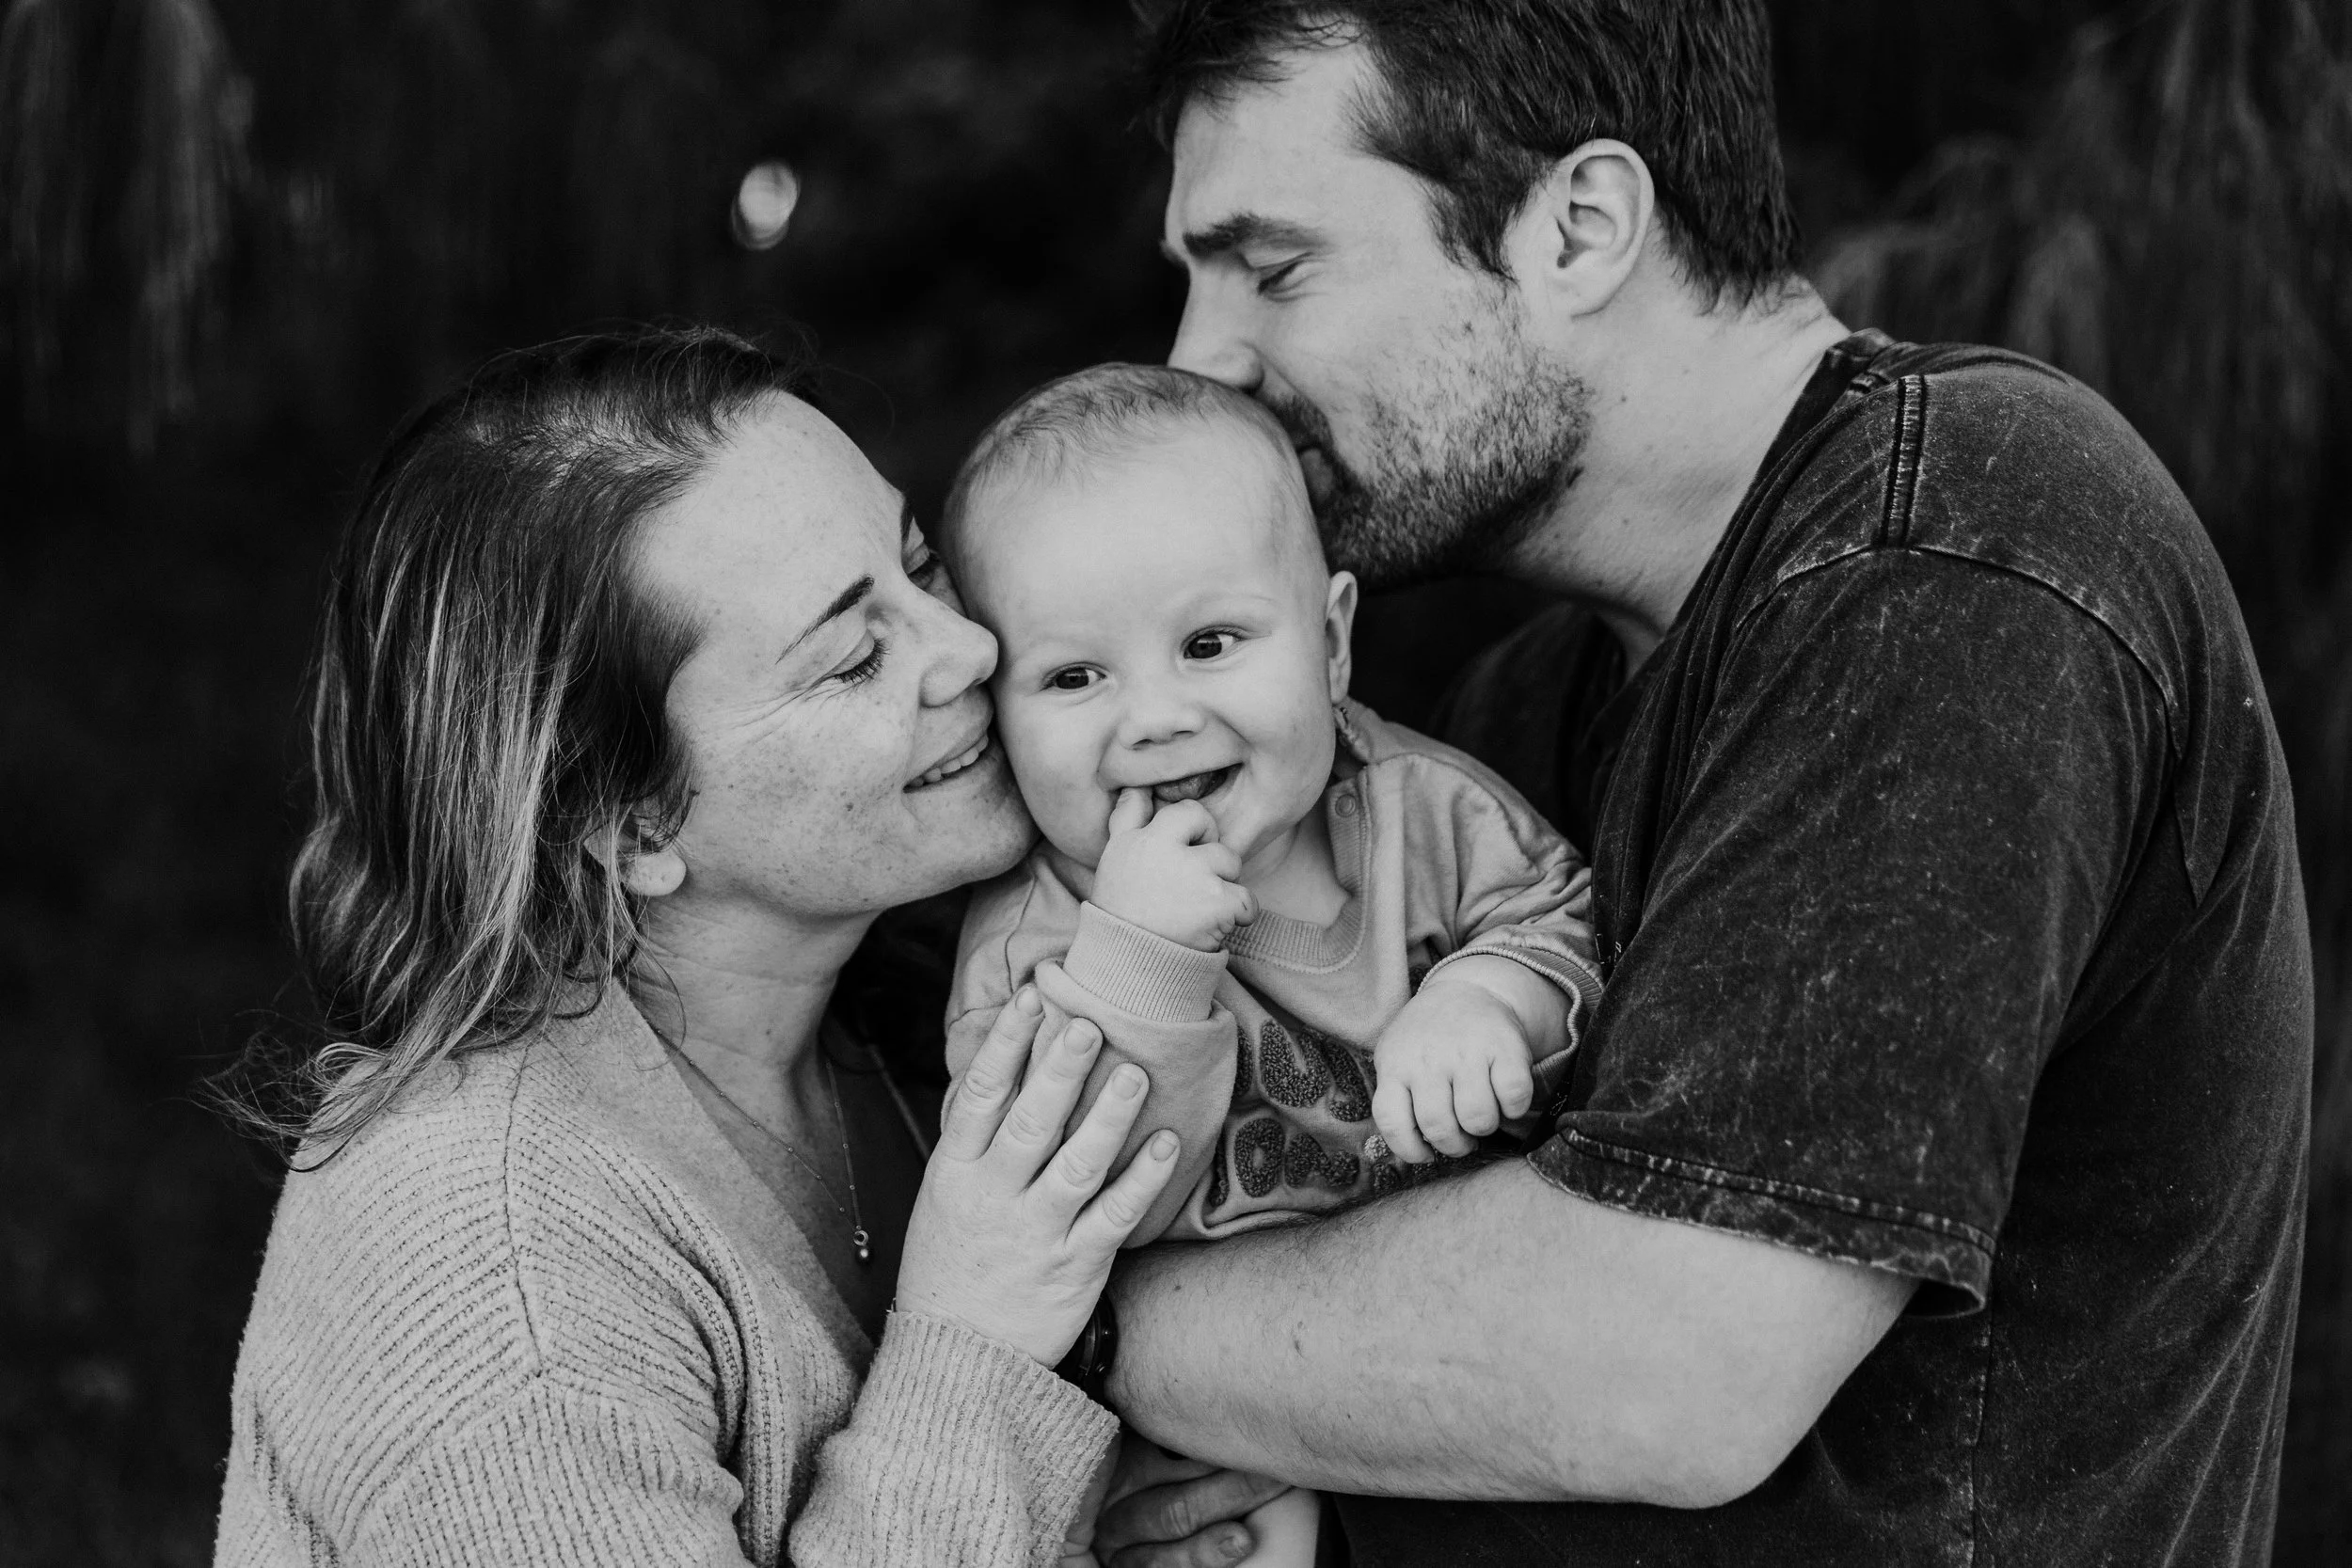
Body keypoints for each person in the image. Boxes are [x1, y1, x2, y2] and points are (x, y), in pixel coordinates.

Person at [1089, 2, 2317, 1564]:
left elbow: (1669, 1364)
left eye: (1272, 266)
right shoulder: (1524, 712)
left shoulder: (1963, 553)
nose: (1197, 363)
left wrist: (1077, 1322)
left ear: (1580, 226)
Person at [212, 327, 1189, 1567]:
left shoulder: (948, 987)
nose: (972, 647)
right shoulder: (490, 1266)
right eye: (854, 656)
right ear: (625, 822)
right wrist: (976, 1349)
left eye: (919, 564)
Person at [937, 363, 1606, 1565]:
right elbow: (1053, 1211)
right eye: (1073, 675)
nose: (1151, 715)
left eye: (1209, 642)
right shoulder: (1035, 940)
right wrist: (1143, 955)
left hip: (1476, 1382)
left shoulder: (1419, 811)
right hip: (1202, 1438)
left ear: (1332, 641)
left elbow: (1560, 908)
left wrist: (1488, 991)